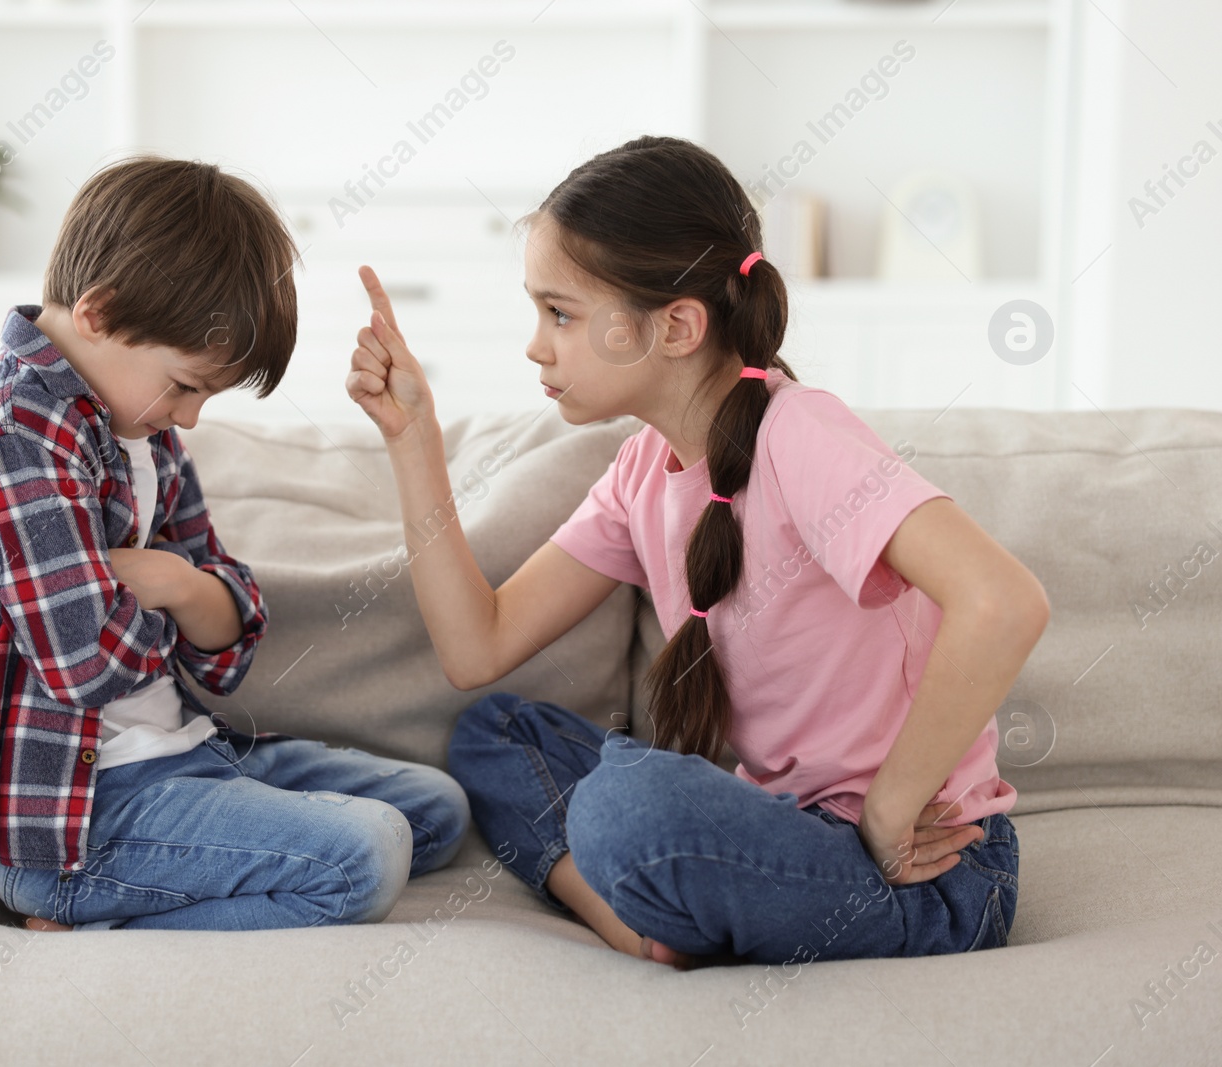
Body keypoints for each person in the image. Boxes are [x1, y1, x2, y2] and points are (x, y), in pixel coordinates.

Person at [343, 135, 1046, 969]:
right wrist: (412, 437)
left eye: (560, 313)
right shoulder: (641, 470)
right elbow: (476, 647)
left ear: (677, 325)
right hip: (775, 833)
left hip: (923, 878)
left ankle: (653, 903)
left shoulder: (801, 432)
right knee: (497, 731)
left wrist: (891, 809)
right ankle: (641, 923)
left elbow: (1004, 602)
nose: (537, 345)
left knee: (629, 809)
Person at [0, 155, 468, 932]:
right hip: (72, 818)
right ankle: (87, 912)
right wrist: (183, 594)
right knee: (369, 854)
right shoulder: (14, 437)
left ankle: (211, 845)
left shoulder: (138, 424)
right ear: (99, 314)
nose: (195, 416)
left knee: (436, 809)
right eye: (186, 385)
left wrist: (171, 581)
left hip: (183, 750)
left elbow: (227, 639)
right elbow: (86, 663)